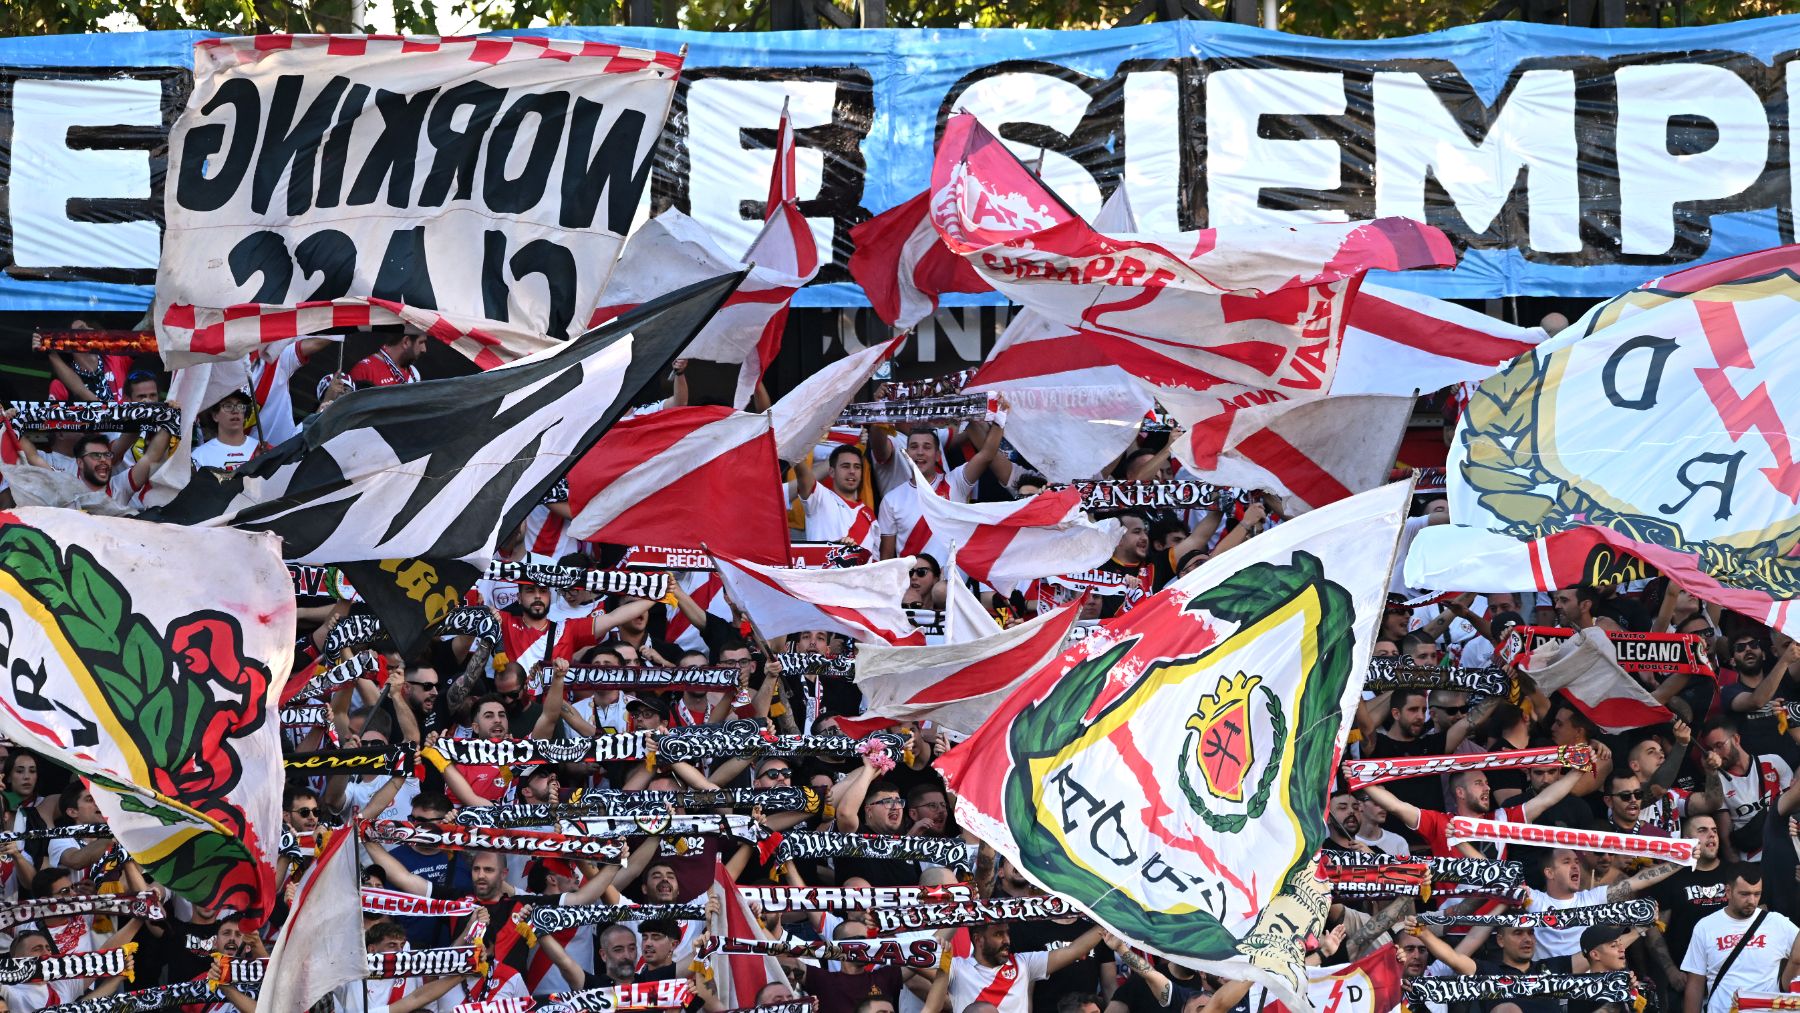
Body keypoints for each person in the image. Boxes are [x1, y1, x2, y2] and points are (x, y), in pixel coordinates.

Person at [1680, 866, 1800, 1013]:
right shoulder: (1705, 926)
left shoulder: (1777, 923)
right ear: (1728, 891)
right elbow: (1695, 983)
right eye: (1744, 894)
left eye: (1757, 894)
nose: (1752, 901)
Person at [949, 921, 1105, 1013]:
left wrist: (1109, 922)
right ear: (978, 940)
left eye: (1007, 933)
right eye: (998, 934)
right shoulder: (956, 968)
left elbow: (1073, 950)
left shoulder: (1023, 963)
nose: (1007, 940)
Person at [791, 444, 880, 553]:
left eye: (857, 467)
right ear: (832, 472)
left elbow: (876, 560)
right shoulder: (819, 497)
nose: (852, 471)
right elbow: (802, 472)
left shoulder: (870, 516)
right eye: (845, 466)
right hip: (821, 564)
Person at [189, 389, 267, 472]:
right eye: (228, 406)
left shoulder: (264, 451)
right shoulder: (198, 457)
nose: (235, 411)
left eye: (240, 406)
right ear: (215, 416)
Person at [350, 330, 429, 388]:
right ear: (406, 342)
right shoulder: (364, 370)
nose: (424, 349)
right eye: (421, 342)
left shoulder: (414, 372)